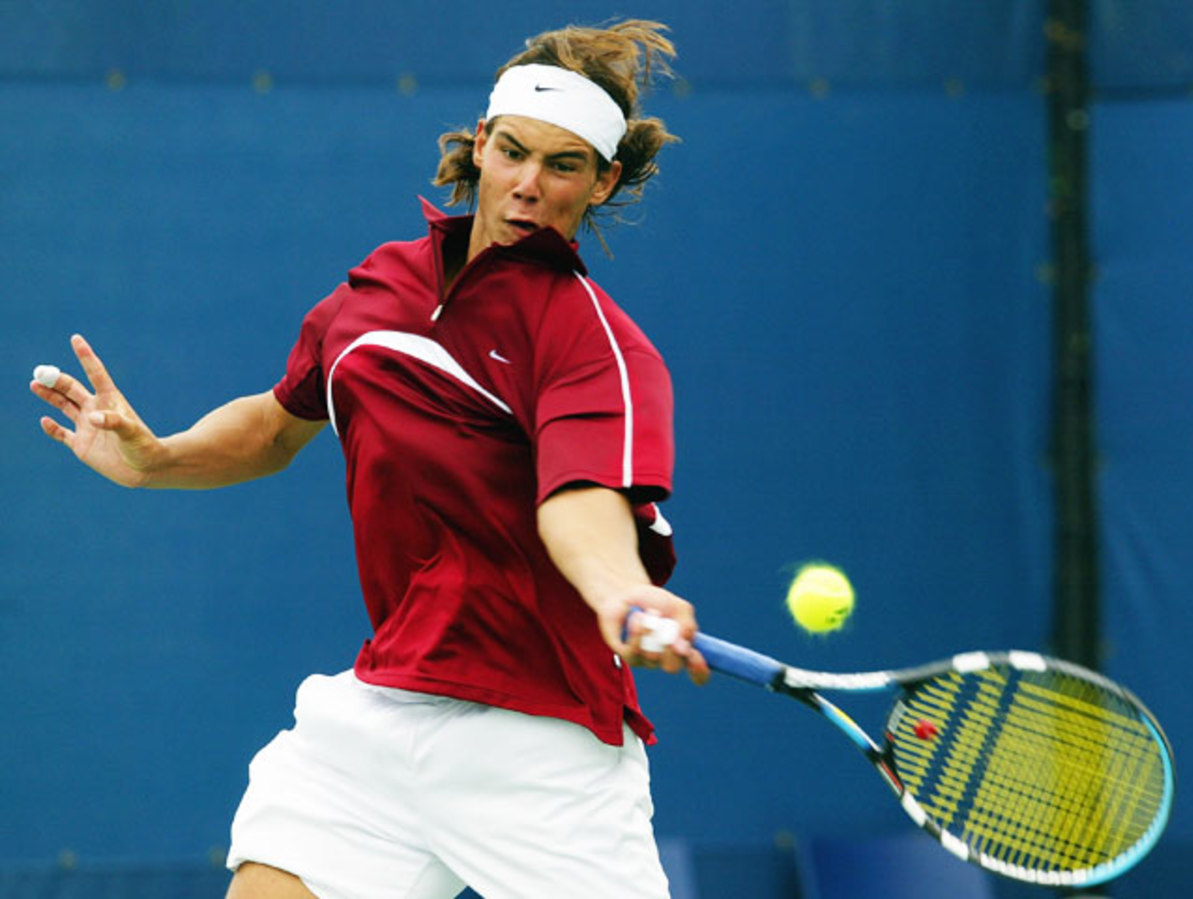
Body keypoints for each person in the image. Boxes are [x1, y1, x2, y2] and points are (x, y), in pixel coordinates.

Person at [30, 18, 707, 899]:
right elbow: (278, 423)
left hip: (538, 743)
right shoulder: (382, 285)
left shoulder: (598, 345)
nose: (528, 185)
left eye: (564, 165)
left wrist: (622, 591)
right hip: (382, 713)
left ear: (603, 181)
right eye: (512, 151)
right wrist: (158, 458)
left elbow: (578, 501)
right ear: (479, 145)